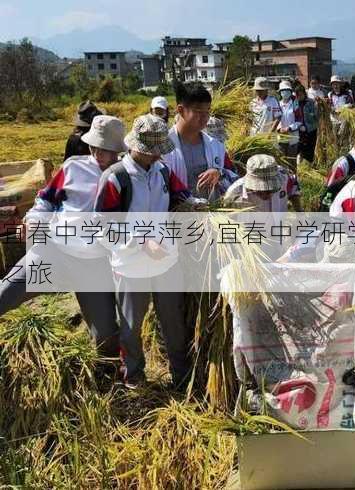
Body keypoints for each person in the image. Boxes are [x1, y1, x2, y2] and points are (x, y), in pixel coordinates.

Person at [1, 115, 124, 362]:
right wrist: (34, 220)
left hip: (93, 265)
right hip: (53, 253)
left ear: (117, 149)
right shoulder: (73, 167)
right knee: (5, 294)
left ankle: (104, 378)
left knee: (106, 341)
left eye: (105, 149)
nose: (98, 153)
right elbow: (46, 200)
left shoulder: (125, 175)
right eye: (94, 147)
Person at [94, 114, 193, 390]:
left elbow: (180, 198)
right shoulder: (116, 178)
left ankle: (182, 376)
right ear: (135, 148)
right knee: (131, 326)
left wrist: (196, 206)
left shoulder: (162, 172)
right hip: (130, 266)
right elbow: (103, 228)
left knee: (173, 323)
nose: (157, 156)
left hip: (166, 261)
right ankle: (135, 379)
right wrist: (141, 242)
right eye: (152, 151)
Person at [161, 82, 227, 201]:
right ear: (181, 110)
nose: (205, 117)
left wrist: (218, 172)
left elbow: (229, 174)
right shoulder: (163, 147)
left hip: (209, 213)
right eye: (198, 112)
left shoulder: (215, 145)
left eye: (207, 111)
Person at [223, 154, 302, 212]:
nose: (267, 195)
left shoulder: (285, 176)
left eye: (271, 190)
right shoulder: (234, 195)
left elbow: (294, 189)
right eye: (260, 191)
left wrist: (300, 213)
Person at [277, 80, 301, 164]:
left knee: (292, 161)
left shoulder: (295, 104)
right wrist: (279, 128)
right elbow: (275, 119)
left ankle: (293, 176)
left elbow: (299, 120)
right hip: (281, 136)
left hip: (293, 137)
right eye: (283, 91)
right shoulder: (278, 104)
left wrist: (290, 127)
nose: (285, 93)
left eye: (287, 90)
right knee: (282, 160)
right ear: (280, 92)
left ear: (291, 92)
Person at [295, 84, 319, 165]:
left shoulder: (311, 102)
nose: (299, 97)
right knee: (300, 149)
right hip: (299, 131)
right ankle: (301, 165)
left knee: (310, 150)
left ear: (304, 94)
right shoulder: (295, 103)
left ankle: (310, 165)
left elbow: (316, 116)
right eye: (297, 95)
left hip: (311, 130)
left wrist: (311, 117)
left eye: (300, 94)